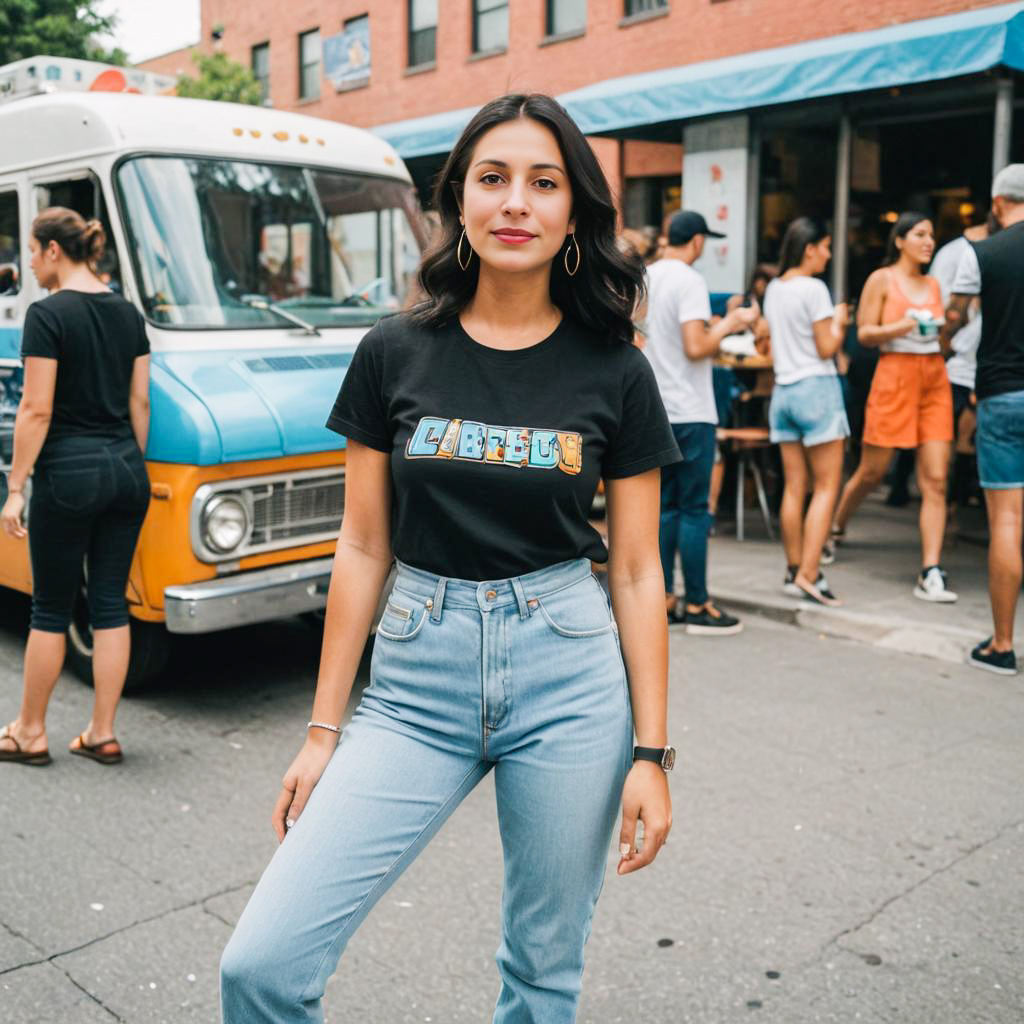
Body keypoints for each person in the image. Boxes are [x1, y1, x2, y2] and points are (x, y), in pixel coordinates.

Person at [220, 93, 681, 1023]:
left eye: (543, 183)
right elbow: (361, 542)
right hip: (414, 677)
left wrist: (653, 752)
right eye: (494, 178)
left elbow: (635, 571)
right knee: (260, 966)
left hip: (569, 674)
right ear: (460, 202)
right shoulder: (394, 351)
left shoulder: (616, 369)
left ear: (573, 211)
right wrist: (322, 732)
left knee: (542, 976)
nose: (517, 202)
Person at [0, 208, 151, 767]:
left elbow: (36, 408)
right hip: (125, 470)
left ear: (54, 251)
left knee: (49, 607)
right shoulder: (129, 315)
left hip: (68, 472)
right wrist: (127, 463)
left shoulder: (47, 314)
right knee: (110, 602)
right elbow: (140, 403)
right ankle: (101, 733)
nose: (31, 265)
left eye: (34, 253)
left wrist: (16, 486)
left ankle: (30, 731)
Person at [831, 212, 957, 603]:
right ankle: (835, 526)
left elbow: (940, 339)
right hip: (894, 375)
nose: (928, 241)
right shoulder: (881, 279)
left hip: (933, 376)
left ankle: (930, 570)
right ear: (900, 240)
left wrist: (945, 331)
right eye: (920, 234)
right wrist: (902, 327)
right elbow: (864, 334)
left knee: (935, 479)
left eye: (931, 235)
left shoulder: (934, 283)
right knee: (872, 471)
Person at [643, 210, 757, 634]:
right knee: (694, 510)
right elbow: (696, 346)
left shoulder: (647, 276)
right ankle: (697, 603)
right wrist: (731, 322)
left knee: (665, 509)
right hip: (690, 409)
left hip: (656, 410)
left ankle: (664, 597)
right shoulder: (690, 280)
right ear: (695, 242)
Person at [944, 165, 1024, 675]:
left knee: (1008, 521)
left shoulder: (981, 254)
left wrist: (945, 340)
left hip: (1001, 393)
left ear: (997, 203)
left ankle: (1001, 643)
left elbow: (953, 317)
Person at [763, 217, 850, 606]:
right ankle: (810, 574)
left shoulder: (775, 290)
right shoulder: (814, 289)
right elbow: (826, 348)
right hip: (816, 388)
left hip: (783, 393)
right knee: (827, 486)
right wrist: (842, 323)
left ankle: (792, 567)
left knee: (794, 486)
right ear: (810, 248)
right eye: (826, 247)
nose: (829, 255)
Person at [932, 213, 998, 520]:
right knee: (955, 443)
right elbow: (951, 317)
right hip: (962, 368)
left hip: (986, 370)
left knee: (970, 443)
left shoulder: (993, 255)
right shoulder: (962, 255)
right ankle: (949, 507)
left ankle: (958, 505)